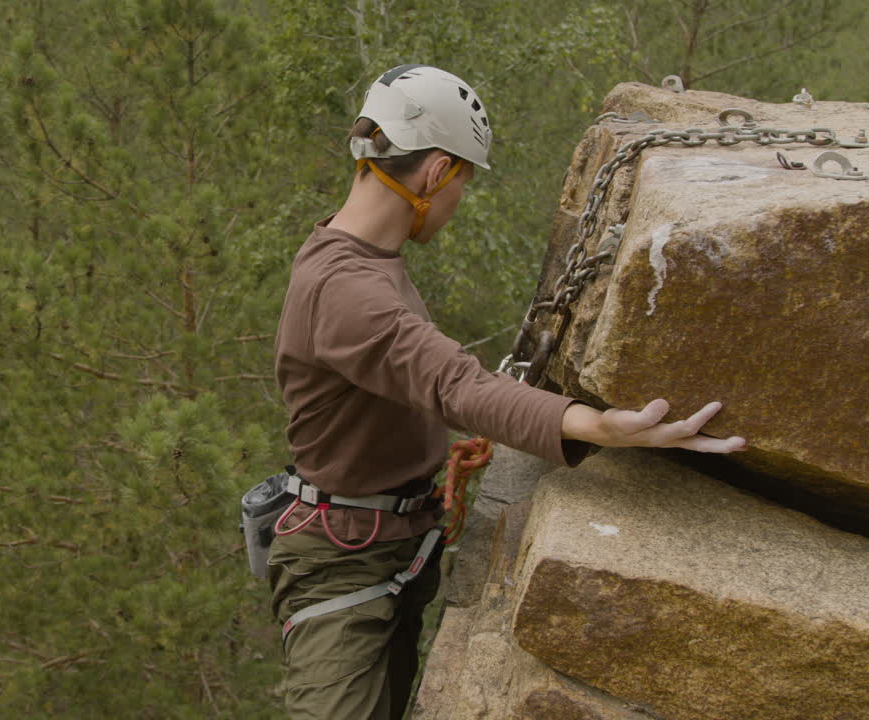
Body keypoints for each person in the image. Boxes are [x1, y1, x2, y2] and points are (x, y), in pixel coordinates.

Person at [269, 64, 746, 720]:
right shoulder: (348, 292)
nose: (458, 200)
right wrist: (601, 427)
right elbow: (455, 384)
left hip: (380, 542)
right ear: (437, 172)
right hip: (344, 565)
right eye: (462, 181)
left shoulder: (356, 256)